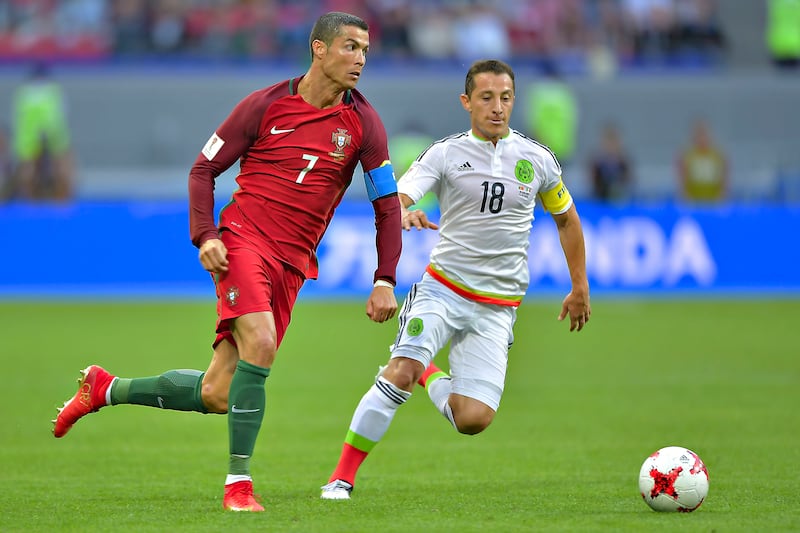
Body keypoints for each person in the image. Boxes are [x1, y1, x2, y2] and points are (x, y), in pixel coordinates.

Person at [51, 12, 402, 512]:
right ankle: (238, 486)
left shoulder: (364, 123)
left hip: (292, 263)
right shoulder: (264, 106)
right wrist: (205, 236)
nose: (361, 59)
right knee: (261, 341)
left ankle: (105, 389)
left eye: (366, 50)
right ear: (318, 49)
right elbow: (204, 169)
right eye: (350, 47)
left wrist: (385, 278)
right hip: (243, 240)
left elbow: (387, 205)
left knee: (218, 392)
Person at [320, 59, 592, 500]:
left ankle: (428, 372)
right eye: (486, 98)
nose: (497, 108)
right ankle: (341, 478)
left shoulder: (537, 160)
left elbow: (567, 220)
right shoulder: (446, 154)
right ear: (467, 102)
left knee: (472, 420)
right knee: (399, 372)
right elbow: (398, 197)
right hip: (442, 290)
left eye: (505, 98)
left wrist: (580, 287)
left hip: (497, 307)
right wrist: (404, 210)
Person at [10, 62, 74, 201]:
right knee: (59, 170)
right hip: (46, 137)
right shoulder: (54, 92)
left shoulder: (24, 93)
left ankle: (32, 204)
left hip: (35, 138)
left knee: (30, 172)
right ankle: (59, 204)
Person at [677, 118, 728, 202]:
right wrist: (686, 197)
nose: (702, 139)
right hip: (693, 200)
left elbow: (723, 177)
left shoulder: (717, 155)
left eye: (704, 135)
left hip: (713, 200)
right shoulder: (688, 156)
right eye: (699, 135)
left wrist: (721, 196)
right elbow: (682, 179)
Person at [588, 121, 634, 203]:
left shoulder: (623, 162)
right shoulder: (598, 162)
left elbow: (628, 182)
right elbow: (593, 183)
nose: (611, 145)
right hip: (600, 202)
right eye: (608, 142)